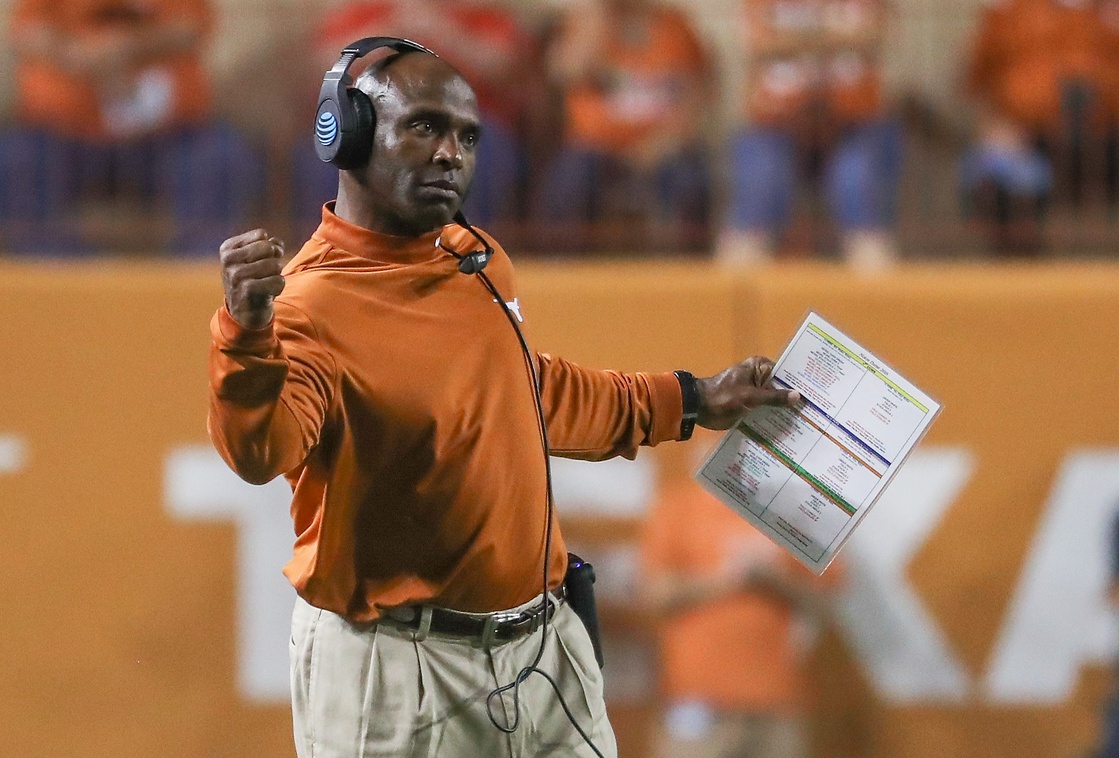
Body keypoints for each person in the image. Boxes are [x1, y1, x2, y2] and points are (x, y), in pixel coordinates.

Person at [208, 43, 801, 758]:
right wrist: (246, 337)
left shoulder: (473, 257)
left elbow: (530, 392)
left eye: (466, 136)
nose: (451, 154)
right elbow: (261, 452)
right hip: (396, 666)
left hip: (543, 651)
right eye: (424, 127)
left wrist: (691, 399)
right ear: (347, 134)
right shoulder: (310, 304)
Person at [0, 0, 261, 256]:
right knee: (16, 160)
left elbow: (190, 27)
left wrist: (129, 49)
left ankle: (199, 273)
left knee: (219, 157)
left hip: (169, 136)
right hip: (63, 136)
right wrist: (79, 54)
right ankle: (49, 273)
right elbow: (27, 33)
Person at [290, 0, 540, 242]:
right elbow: (322, 63)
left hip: (472, 129)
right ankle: (332, 247)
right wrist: (389, 29)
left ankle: (469, 249)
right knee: (330, 145)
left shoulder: (482, 14)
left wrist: (441, 30)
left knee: (487, 150)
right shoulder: (364, 10)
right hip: (375, 126)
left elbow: (507, 65)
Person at [640, 458, 839, 758]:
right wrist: (728, 579)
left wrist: (772, 578)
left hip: (777, 701)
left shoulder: (795, 513)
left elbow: (825, 602)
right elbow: (654, 594)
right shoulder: (680, 505)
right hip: (697, 698)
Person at [719, 0, 901, 268]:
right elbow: (758, 45)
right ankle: (734, 291)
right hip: (776, 122)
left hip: (855, 121)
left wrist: (793, 43)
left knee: (857, 179)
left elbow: (880, 34)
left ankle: (876, 290)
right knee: (761, 177)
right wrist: (838, 40)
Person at [533, 0, 714, 254]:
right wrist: (597, 19)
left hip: (660, 146)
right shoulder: (586, 25)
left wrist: (662, 143)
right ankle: (562, 272)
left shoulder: (675, 27)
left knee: (689, 178)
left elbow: (696, 97)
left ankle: (687, 275)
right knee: (569, 179)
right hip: (593, 147)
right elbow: (566, 73)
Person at [962, 0, 1113, 256]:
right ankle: (1019, 258)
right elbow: (977, 77)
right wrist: (999, 120)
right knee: (994, 168)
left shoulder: (1100, 14)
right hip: (1025, 135)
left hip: (1103, 136)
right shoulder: (1008, 14)